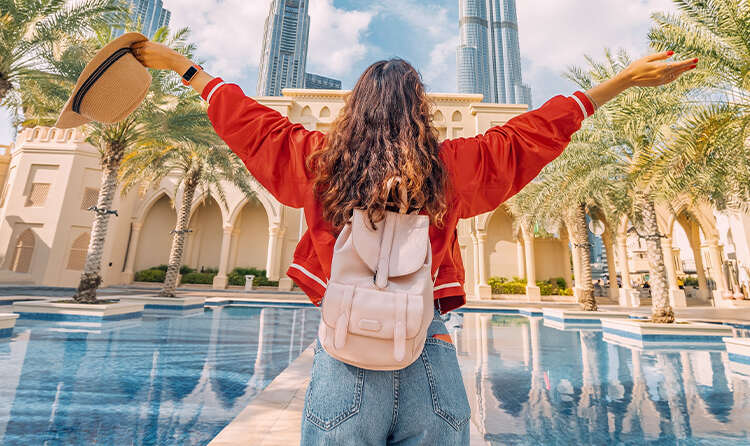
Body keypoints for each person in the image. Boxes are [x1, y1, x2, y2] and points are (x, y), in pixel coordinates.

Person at [132, 42, 697, 445]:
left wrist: (186, 69)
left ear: (354, 110)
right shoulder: (450, 167)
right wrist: (619, 82)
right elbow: (531, 134)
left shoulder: (317, 162)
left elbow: (249, 123)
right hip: (427, 343)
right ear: (420, 109)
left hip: (344, 343)